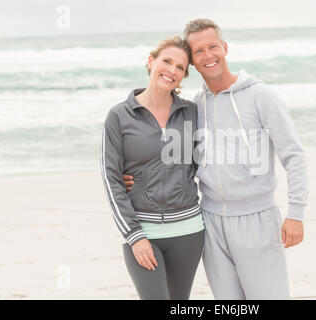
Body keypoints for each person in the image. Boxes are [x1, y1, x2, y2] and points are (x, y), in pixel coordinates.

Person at [125, 19, 309, 300]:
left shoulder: (261, 96)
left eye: (213, 47)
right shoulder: (194, 107)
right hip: (210, 222)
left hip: (257, 219)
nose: (208, 55)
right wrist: (134, 179)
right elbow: (171, 157)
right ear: (193, 64)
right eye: (199, 52)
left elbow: (294, 155)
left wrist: (296, 213)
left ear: (224, 47)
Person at [101, 36, 205, 300]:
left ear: (183, 76)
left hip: (188, 230)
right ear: (151, 61)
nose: (172, 70)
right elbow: (111, 179)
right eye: (166, 61)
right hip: (143, 231)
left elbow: (200, 163)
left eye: (180, 67)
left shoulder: (191, 112)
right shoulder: (119, 116)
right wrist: (134, 235)